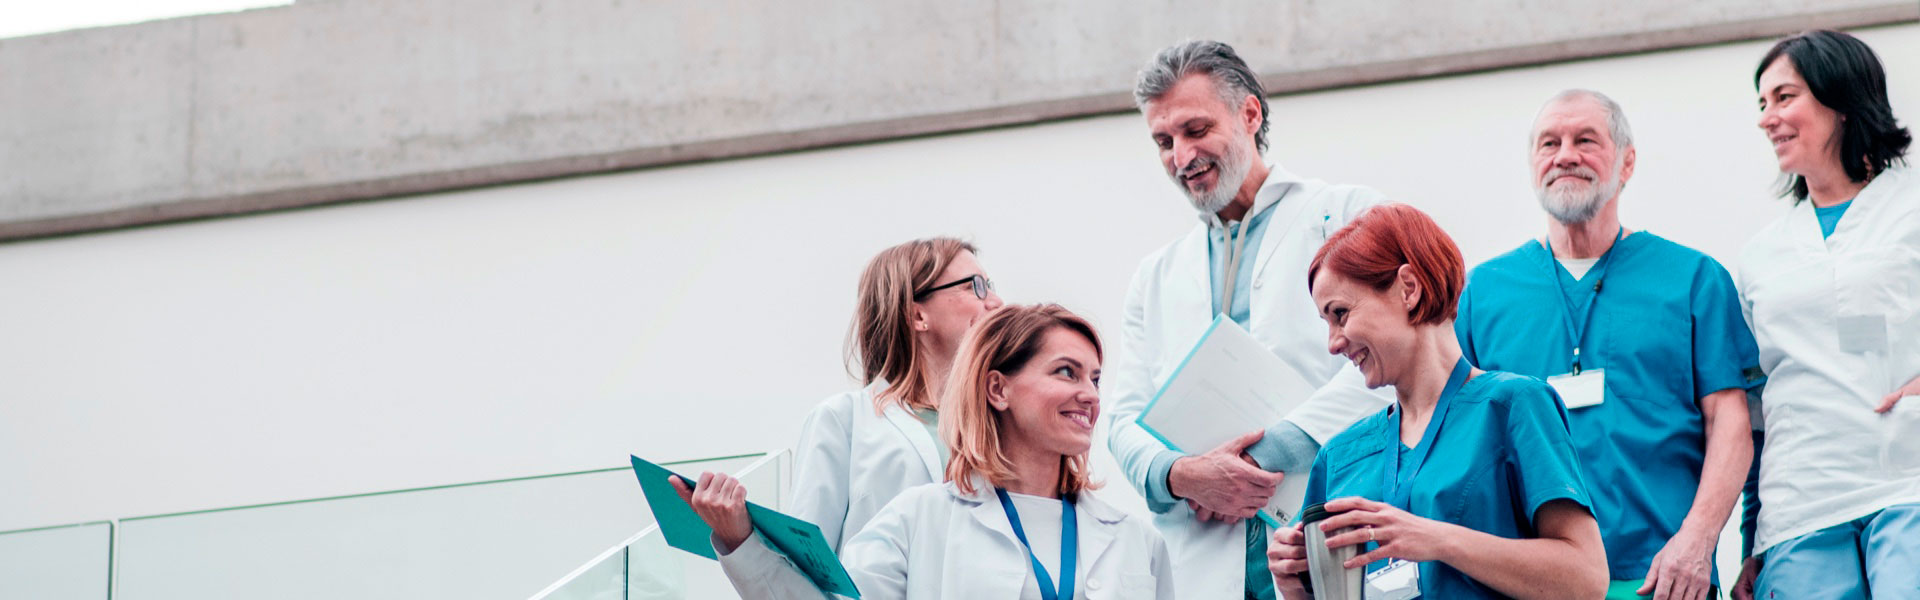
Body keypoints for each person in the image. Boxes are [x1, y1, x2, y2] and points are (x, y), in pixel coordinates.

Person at [1106, 40, 1394, 600]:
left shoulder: (1347, 214)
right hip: (1202, 548)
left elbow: (1390, 358)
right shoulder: (1155, 275)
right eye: (1163, 141)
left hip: (1325, 519)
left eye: (1196, 130)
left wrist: (1265, 454)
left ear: (1250, 114)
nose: (1181, 156)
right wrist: (1179, 476)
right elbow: (1124, 418)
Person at [1451, 90, 1760, 599]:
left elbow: (1731, 424)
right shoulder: (1481, 293)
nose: (1565, 155)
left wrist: (1698, 540)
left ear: (1626, 162)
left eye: (1586, 140)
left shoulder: (1693, 280)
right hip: (1531, 584)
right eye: (1549, 143)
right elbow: (1458, 440)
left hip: (1663, 578)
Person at [678, 304, 1176, 599]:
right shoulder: (919, 519)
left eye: (1095, 379)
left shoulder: (1137, 541)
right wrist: (741, 541)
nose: (1090, 395)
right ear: (998, 389)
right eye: (1066, 372)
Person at [1268, 203, 1608, 599]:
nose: (1333, 344)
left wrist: (1438, 539)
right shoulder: (1339, 458)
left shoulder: (1512, 407)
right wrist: (1292, 586)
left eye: (1340, 314)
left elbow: (1586, 579)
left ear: (1408, 288)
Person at [1732, 29, 1920, 599]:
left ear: (1841, 101)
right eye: (1762, 103)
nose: (1767, 119)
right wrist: (1751, 540)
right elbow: (1756, 410)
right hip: (1801, 508)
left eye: (1784, 97)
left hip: (1908, 486)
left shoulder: (1911, 208)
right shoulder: (1761, 256)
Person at [791, 237, 1005, 551]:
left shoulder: (1002, 424)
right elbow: (805, 560)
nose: (997, 302)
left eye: (990, 285)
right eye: (975, 286)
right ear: (918, 316)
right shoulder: (843, 420)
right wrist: (737, 541)